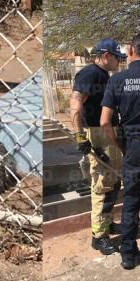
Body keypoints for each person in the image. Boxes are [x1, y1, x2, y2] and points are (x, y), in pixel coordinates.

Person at [70, 38, 126, 255]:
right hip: (97, 133)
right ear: (106, 56)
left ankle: (106, 224)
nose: (119, 62)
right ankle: (98, 236)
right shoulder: (90, 73)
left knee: (112, 181)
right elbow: (75, 103)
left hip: (105, 132)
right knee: (102, 184)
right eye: (116, 58)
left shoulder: (102, 75)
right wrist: (80, 136)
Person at [101, 33, 140, 269]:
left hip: (133, 147)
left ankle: (128, 255)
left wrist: (120, 146)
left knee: (131, 201)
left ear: (130, 50)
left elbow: (105, 121)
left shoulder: (117, 80)